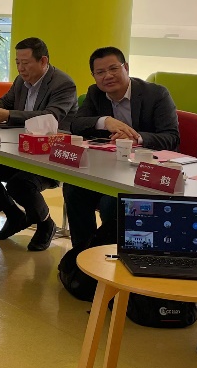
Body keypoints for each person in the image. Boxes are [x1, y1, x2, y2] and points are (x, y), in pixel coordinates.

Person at [63, 46, 179, 249]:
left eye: (113, 69)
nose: (107, 76)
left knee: (112, 202)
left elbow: (171, 137)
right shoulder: (95, 93)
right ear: (94, 76)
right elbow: (76, 124)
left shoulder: (156, 94)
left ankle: (109, 255)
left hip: (145, 172)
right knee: (73, 189)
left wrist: (137, 139)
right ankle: (81, 254)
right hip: (110, 169)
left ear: (126, 67)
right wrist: (105, 121)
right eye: (100, 72)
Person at [0, 37, 77, 251]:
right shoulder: (21, 80)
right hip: (21, 150)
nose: (20, 68)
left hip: (50, 155)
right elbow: (5, 102)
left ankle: (46, 223)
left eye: (26, 63)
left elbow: (51, 116)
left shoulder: (63, 84)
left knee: (19, 184)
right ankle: (14, 215)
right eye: (17, 62)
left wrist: (9, 115)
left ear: (43, 61)